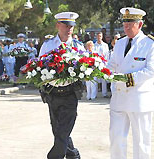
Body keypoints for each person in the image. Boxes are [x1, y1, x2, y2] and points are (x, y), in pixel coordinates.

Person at [107, 7, 154, 159]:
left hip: (139, 99)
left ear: (140, 25)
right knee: (116, 138)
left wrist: (125, 80)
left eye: (130, 23)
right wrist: (97, 70)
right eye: (125, 23)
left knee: (142, 142)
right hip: (119, 98)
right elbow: (112, 64)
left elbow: (151, 71)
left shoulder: (150, 44)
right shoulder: (120, 43)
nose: (126, 26)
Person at [39, 12, 85, 159]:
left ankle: (54, 157)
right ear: (58, 25)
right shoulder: (48, 45)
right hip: (52, 94)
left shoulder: (78, 46)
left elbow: (86, 67)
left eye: (71, 26)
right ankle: (73, 155)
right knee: (58, 131)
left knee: (63, 131)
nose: (69, 29)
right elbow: (38, 67)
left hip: (70, 94)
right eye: (66, 25)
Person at [94, 32, 109, 98]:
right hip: (96, 63)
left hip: (103, 63)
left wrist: (105, 62)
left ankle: (104, 93)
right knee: (96, 79)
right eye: (98, 36)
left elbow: (107, 55)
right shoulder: (94, 45)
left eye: (100, 36)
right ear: (96, 37)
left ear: (102, 37)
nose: (99, 37)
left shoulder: (105, 45)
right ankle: (95, 94)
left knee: (103, 79)